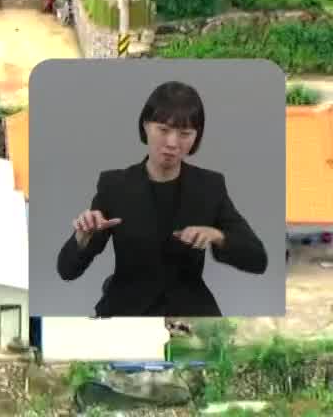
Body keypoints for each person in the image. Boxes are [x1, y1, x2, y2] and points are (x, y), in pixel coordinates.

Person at [55, 80, 268, 317]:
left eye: (185, 134)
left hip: (190, 311)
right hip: (126, 310)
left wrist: (217, 236)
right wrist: (82, 237)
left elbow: (258, 260)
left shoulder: (209, 186)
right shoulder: (114, 186)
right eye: (163, 130)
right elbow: (66, 270)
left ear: (196, 137)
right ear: (146, 126)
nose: (172, 143)